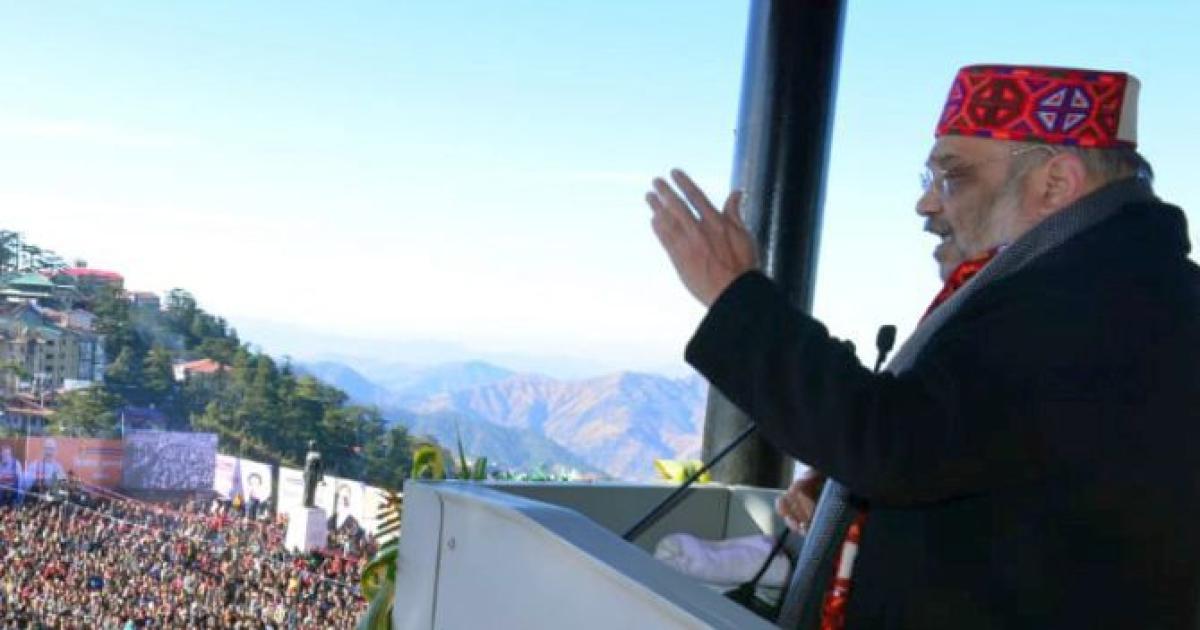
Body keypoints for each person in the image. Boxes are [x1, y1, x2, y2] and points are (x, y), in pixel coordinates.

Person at [646, 64, 1200, 628]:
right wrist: (857, 504)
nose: (927, 204)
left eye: (952, 175)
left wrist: (736, 297)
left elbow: (892, 445)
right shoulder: (1129, 288)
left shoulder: (1095, 302)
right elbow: (973, 458)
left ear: (1054, 184)